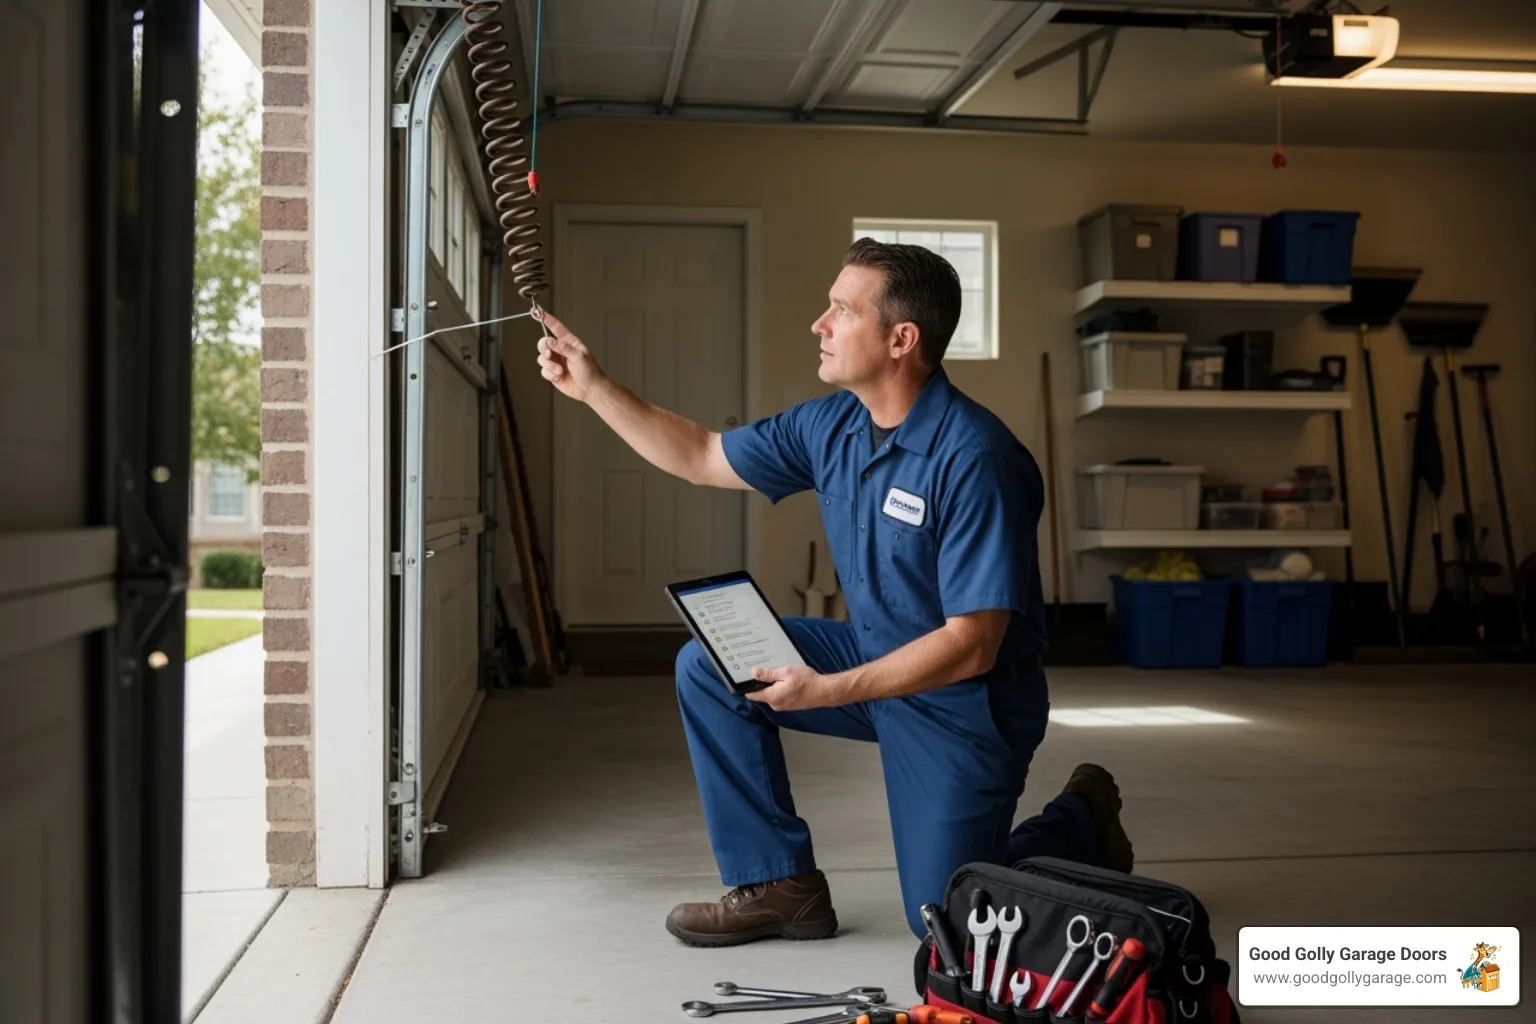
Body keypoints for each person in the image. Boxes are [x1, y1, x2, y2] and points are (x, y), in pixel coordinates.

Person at [533, 238, 1133, 946]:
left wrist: (826, 689)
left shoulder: (977, 458)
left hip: (967, 700)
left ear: (901, 339)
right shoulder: (831, 424)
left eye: (841, 311)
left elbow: (973, 645)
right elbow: (700, 455)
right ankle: (780, 884)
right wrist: (595, 386)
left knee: (946, 921)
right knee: (709, 664)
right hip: (877, 659)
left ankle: (1082, 818)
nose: (819, 324)